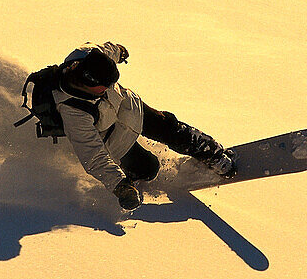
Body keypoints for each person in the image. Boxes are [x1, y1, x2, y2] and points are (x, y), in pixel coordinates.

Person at [54, 42, 236, 210]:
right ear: (89, 83)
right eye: (105, 85)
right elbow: (94, 157)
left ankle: (212, 153)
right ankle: (132, 176)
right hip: (114, 139)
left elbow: (107, 49)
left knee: (168, 126)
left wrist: (119, 51)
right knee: (148, 169)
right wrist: (120, 186)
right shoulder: (74, 113)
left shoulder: (86, 56)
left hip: (129, 108)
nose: (110, 87)